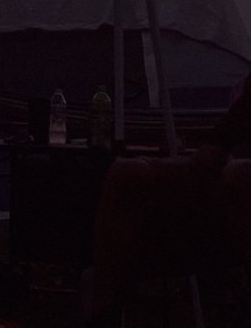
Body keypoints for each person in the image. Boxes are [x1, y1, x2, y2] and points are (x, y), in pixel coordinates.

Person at [85, 75, 251, 321]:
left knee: (238, 175)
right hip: (220, 165)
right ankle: (103, 309)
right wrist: (213, 149)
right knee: (128, 174)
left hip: (231, 176)